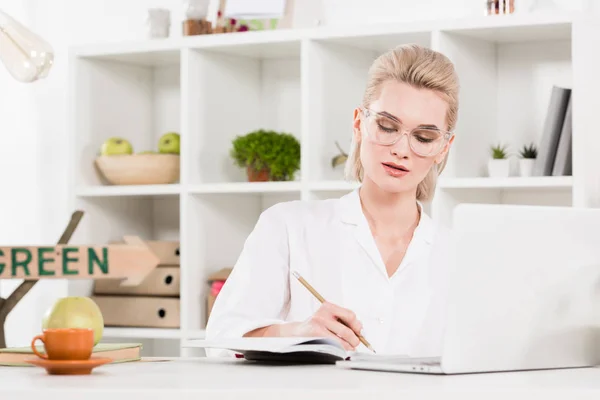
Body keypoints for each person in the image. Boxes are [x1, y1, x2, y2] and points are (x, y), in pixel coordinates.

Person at [205, 43, 459, 357]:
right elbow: (221, 338)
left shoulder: (460, 255)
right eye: (387, 126)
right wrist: (298, 333)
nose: (402, 149)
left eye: (424, 137)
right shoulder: (288, 226)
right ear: (358, 124)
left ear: (443, 148)